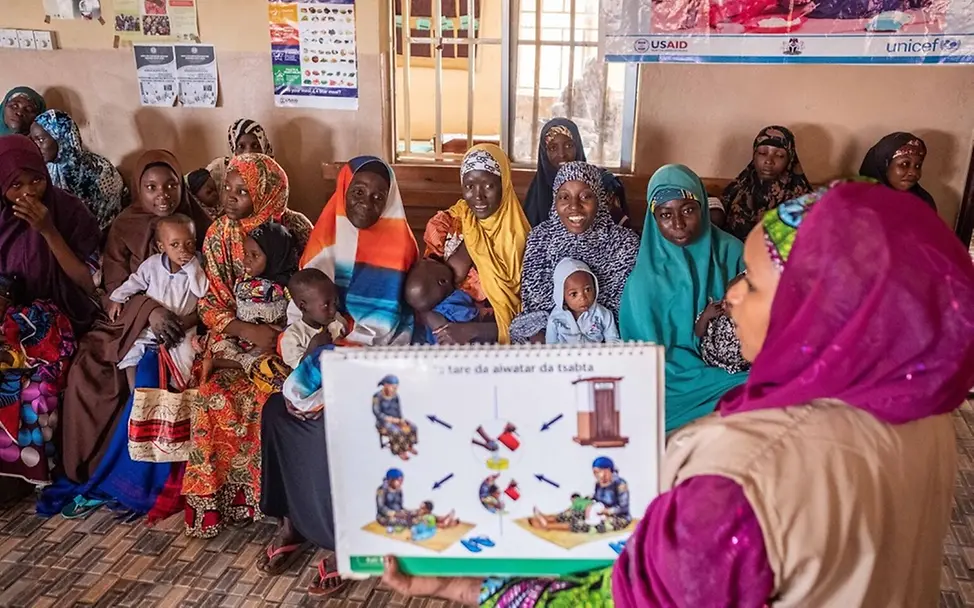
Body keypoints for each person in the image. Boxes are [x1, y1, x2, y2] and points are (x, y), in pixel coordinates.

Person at [380, 180, 974, 608]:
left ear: (821, 308)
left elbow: (630, 599)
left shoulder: (743, 474)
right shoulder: (920, 413)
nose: (731, 296)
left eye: (753, 283)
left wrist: (468, 584)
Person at [45, 149, 211, 520]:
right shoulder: (124, 226)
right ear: (138, 189)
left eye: (170, 185)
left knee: (158, 380)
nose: (162, 195)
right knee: (90, 373)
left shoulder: (196, 223)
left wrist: (185, 321)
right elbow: (115, 289)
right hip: (128, 324)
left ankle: (134, 481)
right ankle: (93, 470)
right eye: (151, 187)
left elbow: (212, 289)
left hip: (185, 326)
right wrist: (150, 311)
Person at [183, 153, 311, 539]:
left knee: (274, 398)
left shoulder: (296, 228)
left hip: (287, 336)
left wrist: (281, 333)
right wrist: (244, 330)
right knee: (214, 395)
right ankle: (227, 501)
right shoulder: (218, 235)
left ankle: (281, 505)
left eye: (243, 190)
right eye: (227, 188)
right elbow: (211, 302)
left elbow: (310, 290)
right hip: (235, 336)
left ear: (266, 192)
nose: (230, 197)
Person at [620, 164, 747, 432]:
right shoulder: (643, 281)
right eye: (665, 215)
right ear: (653, 219)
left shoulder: (732, 252)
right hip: (669, 377)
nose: (677, 224)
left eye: (688, 210)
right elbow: (644, 357)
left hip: (729, 367)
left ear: (702, 206)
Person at [509, 161, 639, 344]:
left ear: (599, 199)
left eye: (585, 196)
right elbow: (534, 309)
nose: (574, 206)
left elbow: (625, 314)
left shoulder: (624, 244)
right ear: (555, 201)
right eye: (564, 197)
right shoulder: (541, 239)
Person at [296, 156, 418, 345]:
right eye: (359, 192)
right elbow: (303, 297)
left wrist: (345, 344)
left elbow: (385, 319)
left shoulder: (401, 244)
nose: (366, 203)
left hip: (380, 336)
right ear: (344, 189)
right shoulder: (326, 234)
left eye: (378, 197)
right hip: (322, 329)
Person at [422, 145, 529, 345]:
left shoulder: (521, 239)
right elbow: (421, 293)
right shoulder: (445, 225)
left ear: (504, 185)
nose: (478, 196)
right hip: (443, 335)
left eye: (488, 186)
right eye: (469, 186)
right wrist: (441, 328)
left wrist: (472, 331)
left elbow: (529, 314)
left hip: (498, 340)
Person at [108, 214, 207, 388]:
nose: (182, 250)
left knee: (185, 358)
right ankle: (135, 392)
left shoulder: (197, 266)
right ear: (162, 247)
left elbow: (201, 290)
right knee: (134, 347)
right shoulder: (153, 264)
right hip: (153, 325)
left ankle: (176, 391)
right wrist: (117, 297)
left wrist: (192, 267)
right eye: (174, 245)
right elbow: (135, 281)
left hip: (183, 328)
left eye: (189, 243)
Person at [0, 272, 76, 487]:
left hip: (28, 368)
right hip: (11, 371)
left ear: (8, 301)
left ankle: (35, 470)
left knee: (38, 393)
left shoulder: (25, 317)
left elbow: (40, 351)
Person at [202, 221, 297, 381]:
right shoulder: (243, 281)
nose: (246, 261)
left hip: (270, 341)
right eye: (245, 253)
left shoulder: (287, 286)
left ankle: (225, 363)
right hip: (241, 340)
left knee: (277, 362)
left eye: (255, 255)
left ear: (275, 255)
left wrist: (283, 331)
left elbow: (295, 315)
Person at [30, 109, 124, 231]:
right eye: (33, 140)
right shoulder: (45, 168)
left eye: (41, 139)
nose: (35, 146)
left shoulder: (100, 171)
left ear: (60, 137)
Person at [721, 125, 812, 241]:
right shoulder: (735, 190)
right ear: (754, 155)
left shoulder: (803, 200)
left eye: (779, 155)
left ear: (790, 159)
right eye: (763, 153)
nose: (769, 161)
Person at [528, 456, 631, 534]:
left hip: (618, 517)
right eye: (595, 473)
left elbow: (623, 508)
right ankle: (547, 519)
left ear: (607, 470)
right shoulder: (598, 484)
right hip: (599, 510)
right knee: (576, 512)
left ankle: (548, 526)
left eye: (598, 472)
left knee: (585, 525)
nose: (596, 475)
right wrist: (583, 500)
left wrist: (607, 511)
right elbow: (597, 497)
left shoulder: (620, 485)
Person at [523, 119, 586, 228]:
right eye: (553, 148)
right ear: (544, 153)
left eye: (568, 146)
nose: (561, 154)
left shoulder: (595, 186)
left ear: (578, 147)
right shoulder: (537, 193)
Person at [545, 258, 620, 345]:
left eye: (587, 290)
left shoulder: (603, 314)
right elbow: (550, 346)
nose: (583, 298)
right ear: (562, 295)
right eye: (574, 294)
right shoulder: (555, 319)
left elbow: (613, 340)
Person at [404, 258, 478, 344]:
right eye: (434, 263)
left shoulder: (428, 316)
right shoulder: (453, 306)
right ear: (442, 281)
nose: (428, 258)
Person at [859, 132, 937, 211]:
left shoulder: (923, 201)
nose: (913, 173)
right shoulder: (860, 202)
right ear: (885, 165)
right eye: (904, 164)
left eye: (918, 166)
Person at [694, 274, 750, 375]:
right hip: (708, 355)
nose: (723, 303)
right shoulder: (717, 313)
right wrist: (705, 316)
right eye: (725, 296)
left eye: (729, 304)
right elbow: (698, 332)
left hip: (733, 367)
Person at [205, 118, 274, 193]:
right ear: (233, 149)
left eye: (255, 146)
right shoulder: (218, 170)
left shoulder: (272, 176)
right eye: (241, 146)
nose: (248, 152)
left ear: (263, 148)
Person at [373, 374, 419, 461]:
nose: (395, 389)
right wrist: (389, 419)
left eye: (396, 387)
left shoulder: (395, 396)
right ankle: (399, 450)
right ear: (386, 385)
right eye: (393, 387)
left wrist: (401, 420)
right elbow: (376, 412)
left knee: (413, 427)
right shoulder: (377, 397)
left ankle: (409, 446)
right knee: (396, 431)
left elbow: (398, 410)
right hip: (383, 422)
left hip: (397, 420)